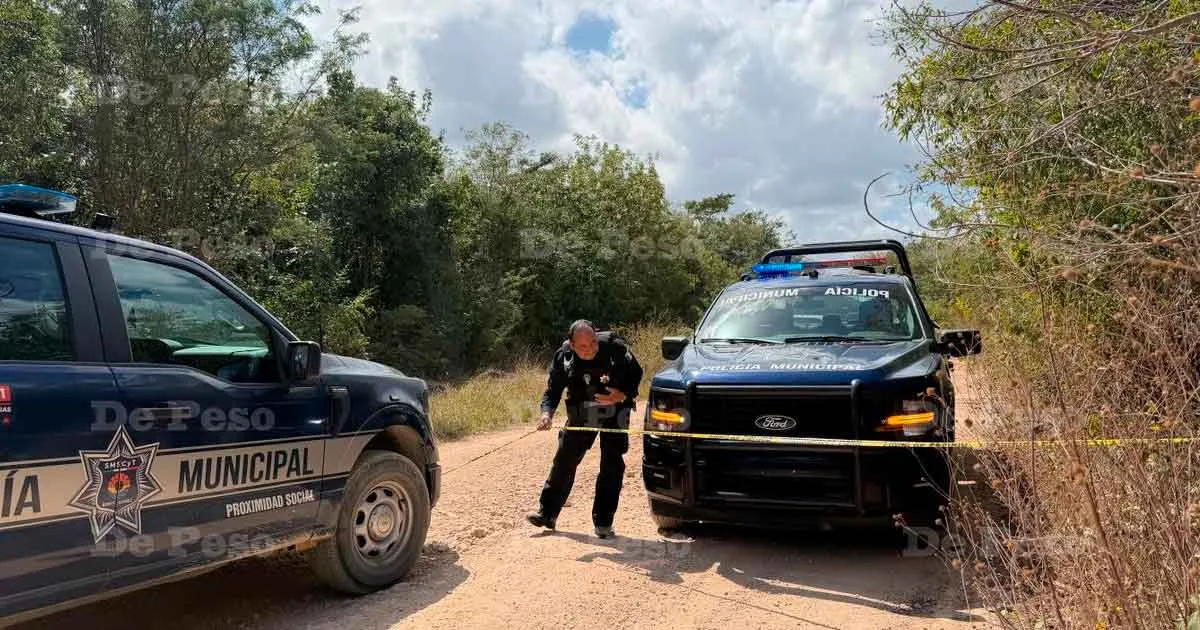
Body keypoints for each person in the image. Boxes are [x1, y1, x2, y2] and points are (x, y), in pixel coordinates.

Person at [526, 319, 643, 538]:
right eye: (583, 346)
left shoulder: (614, 347)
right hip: (582, 410)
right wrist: (546, 414)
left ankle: (603, 522)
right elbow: (553, 390)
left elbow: (636, 373)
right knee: (565, 458)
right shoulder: (564, 356)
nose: (590, 349)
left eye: (593, 343)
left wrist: (623, 395)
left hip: (616, 409)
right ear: (572, 344)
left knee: (611, 463)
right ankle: (547, 513)